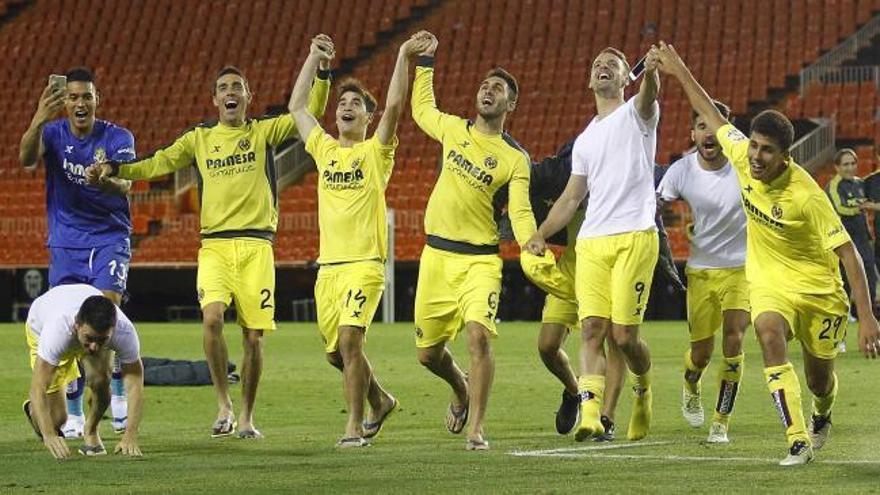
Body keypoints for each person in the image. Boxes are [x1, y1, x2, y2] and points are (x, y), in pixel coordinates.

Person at [655, 40, 880, 466]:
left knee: (820, 379)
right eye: (754, 146)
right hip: (769, 283)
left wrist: (866, 317)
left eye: (766, 151)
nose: (755, 156)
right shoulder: (740, 154)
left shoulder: (806, 196)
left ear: (785, 156)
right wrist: (678, 68)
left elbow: (849, 253)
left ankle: (821, 413)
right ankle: (797, 439)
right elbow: (710, 112)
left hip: (818, 290)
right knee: (768, 333)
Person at [86, 65, 330, 439]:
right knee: (212, 319)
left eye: (237, 87)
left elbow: (309, 110)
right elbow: (158, 161)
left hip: (256, 245)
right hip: (215, 245)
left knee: (253, 337)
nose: (230, 92)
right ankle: (223, 404)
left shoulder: (264, 130)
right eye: (223, 88)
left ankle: (247, 416)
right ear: (215, 100)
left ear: (248, 97)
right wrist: (115, 167)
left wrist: (322, 69)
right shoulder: (199, 138)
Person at [290, 33, 428, 447]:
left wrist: (403, 55)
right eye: (342, 104)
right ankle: (380, 399)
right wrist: (314, 58)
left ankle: (352, 427)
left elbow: (396, 107)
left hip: (365, 263)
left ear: (368, 116)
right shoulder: (325, 150)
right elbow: (297, 106)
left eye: (356, 104)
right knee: (336, 354)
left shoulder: (376, 152)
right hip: (328, 266)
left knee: (351, 341)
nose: (346, 107)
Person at [524, 46, 662, 442]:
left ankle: (643, 386)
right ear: (589, 80)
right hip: (592, 243)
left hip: (635, 236)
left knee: (624, 337)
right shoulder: (584, 140)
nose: (603, 67)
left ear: (624, 78)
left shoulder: (638, 113)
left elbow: (650, 94)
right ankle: (591, 413)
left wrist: (652, 72)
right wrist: (541, 234)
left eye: (612, 65)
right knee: (591, 330)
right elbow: (570, 198)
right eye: (597, 64)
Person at [411, 31, 537, 451]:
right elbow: (422, 108)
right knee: (428, 355)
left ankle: (476, 428)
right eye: (485, 85)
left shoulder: (515, 158)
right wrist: (425, 64)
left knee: (478, 337)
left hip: (480, 261)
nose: (488, 91)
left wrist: (530, 240)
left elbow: (518, 211)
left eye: (498, 89)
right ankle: (461, 388)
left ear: (510, 105)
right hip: (436, 257)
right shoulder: (452, 130)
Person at [524, 140, 685, 440]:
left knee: (618, 338)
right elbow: (535, 181)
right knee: (547, 346)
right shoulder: (570, 176)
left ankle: (606, 416)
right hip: (573, 270)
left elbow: (668, 176)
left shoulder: (629, 175)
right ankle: (576, 392)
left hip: (618, 263)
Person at [18, 67, 133, 438]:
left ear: (97, 100)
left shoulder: (117, 137)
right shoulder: (52, 133)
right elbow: (25, 159)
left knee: (104, 310)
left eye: (87, 96)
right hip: (66, 242)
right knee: (71, 322)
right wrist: (38, 115)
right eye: (73, 97)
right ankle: (72, 409)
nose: (80, 103)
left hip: (108, 239)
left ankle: (112, 393)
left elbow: (127, 184)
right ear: (64, 101)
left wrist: (106, 179)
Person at [657, 101, 750, 443]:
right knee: (701, 353)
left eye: (714, 126)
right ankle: (691, 382)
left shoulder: (745, 166)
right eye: (701, 126)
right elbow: (654, 206)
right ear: (692, 133)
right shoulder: (681, 171)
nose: (708, 133)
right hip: (701, 272)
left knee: (735, 339)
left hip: (740, 269)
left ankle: (720, 421)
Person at [23, 284, 144, 459]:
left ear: (113, 329)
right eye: (89, 339)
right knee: (56, 419)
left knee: (101, 380)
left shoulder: (124, 331)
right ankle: (31, 410)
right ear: (77, 325)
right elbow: (37, 388)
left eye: (102, 340)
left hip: (75, 331)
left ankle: (91, 430)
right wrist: (49, 434)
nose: (94, 347)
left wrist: (130, 436)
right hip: (39, 328)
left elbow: (135, 385)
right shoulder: (56, 332)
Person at [827, 148, 879, 320]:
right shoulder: (834, 186)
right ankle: (843, 313)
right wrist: (860, 207)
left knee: (870, 274)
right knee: (845, 277)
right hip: (844, 239)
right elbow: (839, 208)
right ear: (837, 167)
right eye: (845, 164)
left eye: (853, 163)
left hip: (863, 238)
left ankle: (868, 314)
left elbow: (871, 201)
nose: (850, 167)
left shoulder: (860, 183)